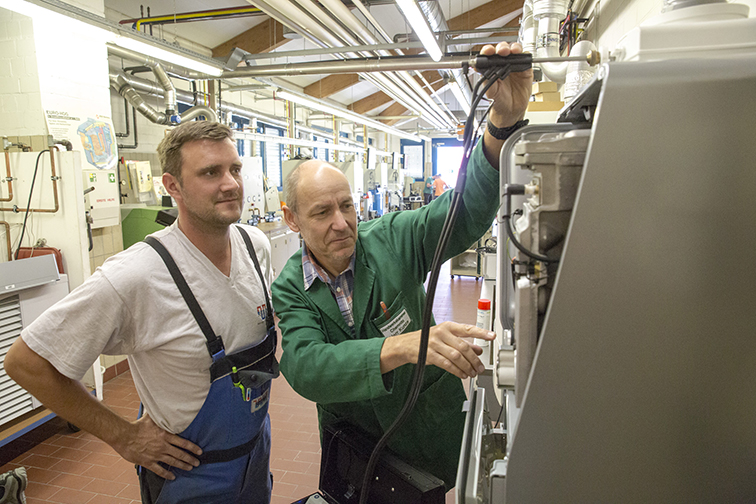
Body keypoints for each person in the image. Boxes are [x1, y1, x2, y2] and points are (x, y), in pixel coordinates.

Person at [271, 41, 532, 490]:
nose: (341, 223)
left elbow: (462, 210)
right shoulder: (291, 287)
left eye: (347, 206)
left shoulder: (392, 238)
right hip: (356, 446)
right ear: (291, 218)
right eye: (321, 213)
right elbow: (305, 366)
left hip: (425, 430)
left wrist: (502, 123)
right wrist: (404, 347)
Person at [5, 121, 277, 504]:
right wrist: (123, 436)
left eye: (234, 169)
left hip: (255, 454)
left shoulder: (256, 246)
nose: (231, 184)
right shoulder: (136, 276)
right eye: (210, 173)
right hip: (190, 477)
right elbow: (26, 362)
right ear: (173, 187)